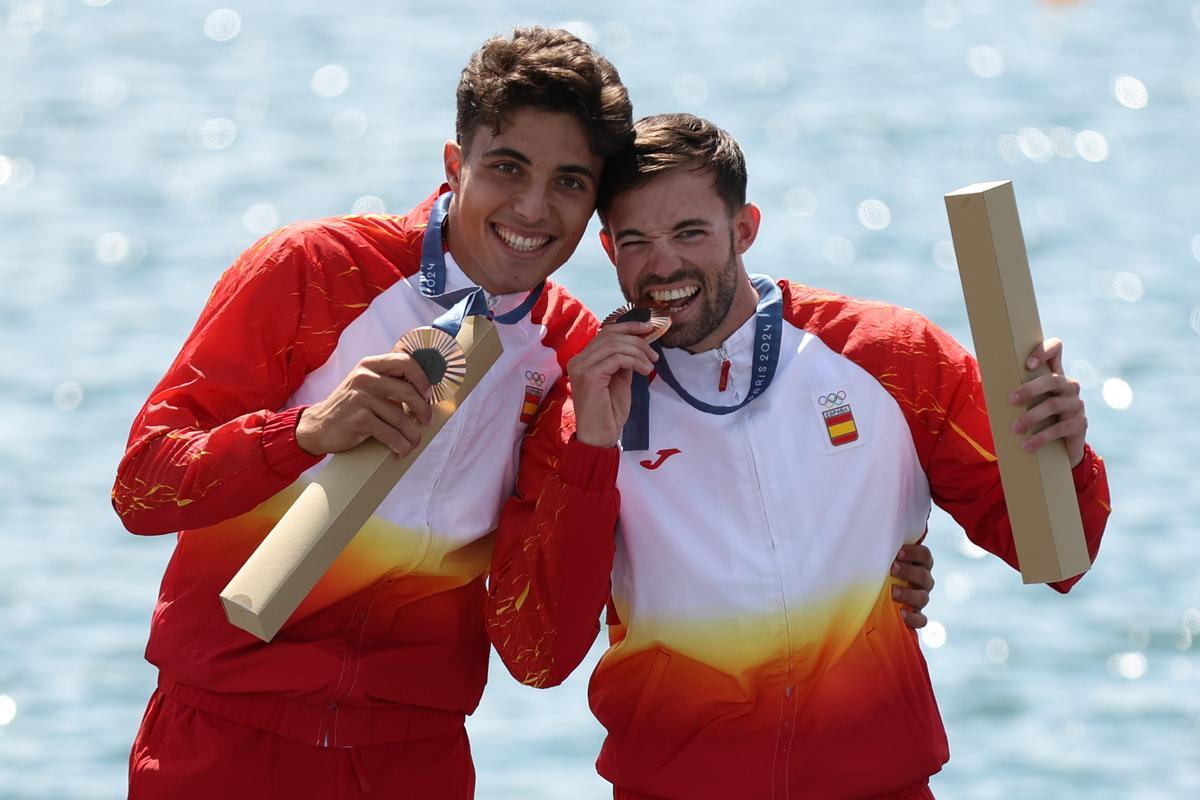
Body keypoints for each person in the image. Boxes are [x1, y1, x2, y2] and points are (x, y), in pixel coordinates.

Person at [485, 113, 1111, 799]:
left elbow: (1060, 552)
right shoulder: (586, 411)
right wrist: (592, 453)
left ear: (745, 228)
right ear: (608, 250)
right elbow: (536, 654)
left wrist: (1064, 453)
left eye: (690, 232)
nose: (663, 265)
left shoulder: (889, 357)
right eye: (637, 241)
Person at [111, 27, 633, 799]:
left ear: (594, 208)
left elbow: (539, 656)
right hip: (223, 743)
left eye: (569, 183)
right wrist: (302, 433)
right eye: (507, 167)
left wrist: (592, 449)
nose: (532, 207)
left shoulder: (570, 356)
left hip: (412, 760)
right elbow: (141, 489)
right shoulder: (311, 268)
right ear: (454, 165)